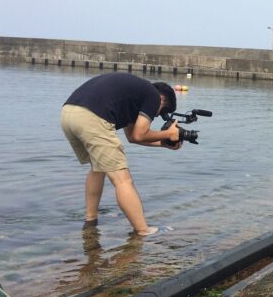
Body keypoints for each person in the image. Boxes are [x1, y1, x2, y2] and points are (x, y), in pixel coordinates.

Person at [60, 72, 182, 236]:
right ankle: (143, 230)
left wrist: (164, 144)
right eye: (160, 112)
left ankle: (91, 220)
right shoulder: (153, 96)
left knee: (98, 168)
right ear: (162, 100)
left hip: (68, 113)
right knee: (123, 180)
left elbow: (133, 137)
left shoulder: (134, 95)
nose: (156, 115)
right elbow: (140, 134)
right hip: (93, 117)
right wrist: (169, 134)